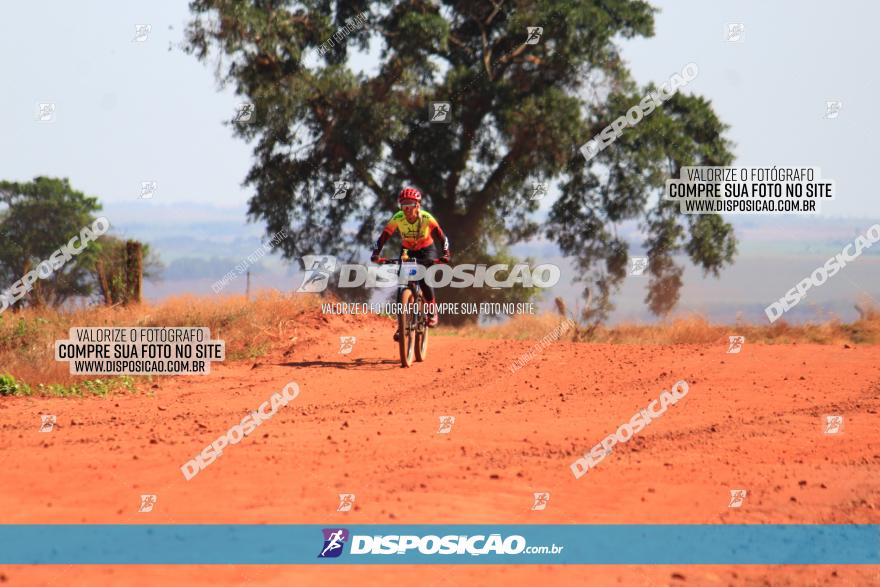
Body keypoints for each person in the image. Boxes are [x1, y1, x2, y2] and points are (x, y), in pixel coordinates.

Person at [371, 187, 450, 332]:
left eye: (410, 205)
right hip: (407, 250)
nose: (407, 209)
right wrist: (376, 253)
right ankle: (402, 322)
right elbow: (383, 237)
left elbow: (442, 237)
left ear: (417, 205)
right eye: (404, 205)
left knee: (424, 279)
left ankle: (432, 312)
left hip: (427, 249)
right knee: (402, 281)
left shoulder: (427, 218)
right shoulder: (398, 217)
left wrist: (446, 253)